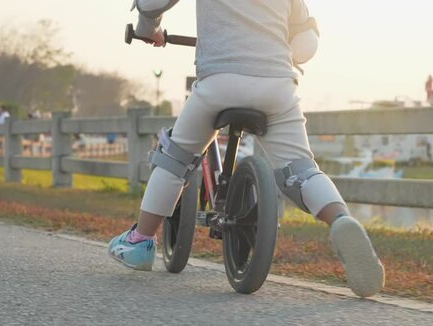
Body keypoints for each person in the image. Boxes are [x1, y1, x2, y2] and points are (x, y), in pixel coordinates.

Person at [109, 0, 385, 297]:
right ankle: (341, 220)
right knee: (301, 170)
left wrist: (149, 28)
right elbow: (306, 41)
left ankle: (140, 241)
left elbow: (153, 3)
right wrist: (278, 54)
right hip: (276, 85)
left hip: (219, 82)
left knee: (175, 159)